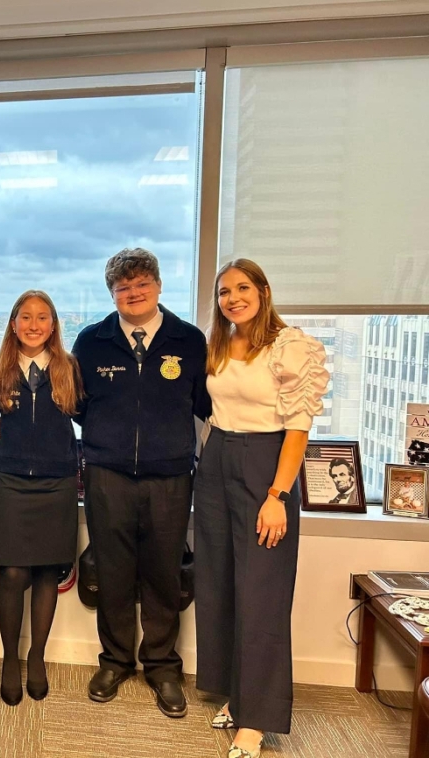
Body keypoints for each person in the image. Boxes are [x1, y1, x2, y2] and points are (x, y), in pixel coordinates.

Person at [194, 258, 329, 758]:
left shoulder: (290, 347)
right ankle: (236, 696)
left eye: (243, 287)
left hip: (265, 467)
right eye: (225, 291)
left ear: (264, 290)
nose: (233, 298)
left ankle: (257, 721)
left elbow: (298, 430)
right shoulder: (220, 343)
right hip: (216, 461)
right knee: (220, 585)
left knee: (261, 595)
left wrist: (277, 497)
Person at [71, 248, 209, 717]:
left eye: (141, 285)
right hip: (107, 475)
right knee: (111, 572)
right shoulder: (91, 342)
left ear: (158, 286)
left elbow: (206, 405)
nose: (133, 294)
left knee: (163, 574)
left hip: (170, 476)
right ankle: (114, 661)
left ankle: (163, 667)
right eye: (123, 288)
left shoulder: (189, 340)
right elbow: (78, 406)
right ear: (112, 294)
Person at [0, 290, 83, 705]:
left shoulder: (68, 367)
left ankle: (37, 656)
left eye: (43, 317)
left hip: (57, 483)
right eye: (25, 317)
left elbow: (91, 420)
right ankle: (10, 659)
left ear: (54, 325)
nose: (34, 325)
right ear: (13, 323)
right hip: (9, 482)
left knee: (47, 574)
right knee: (13, 575)